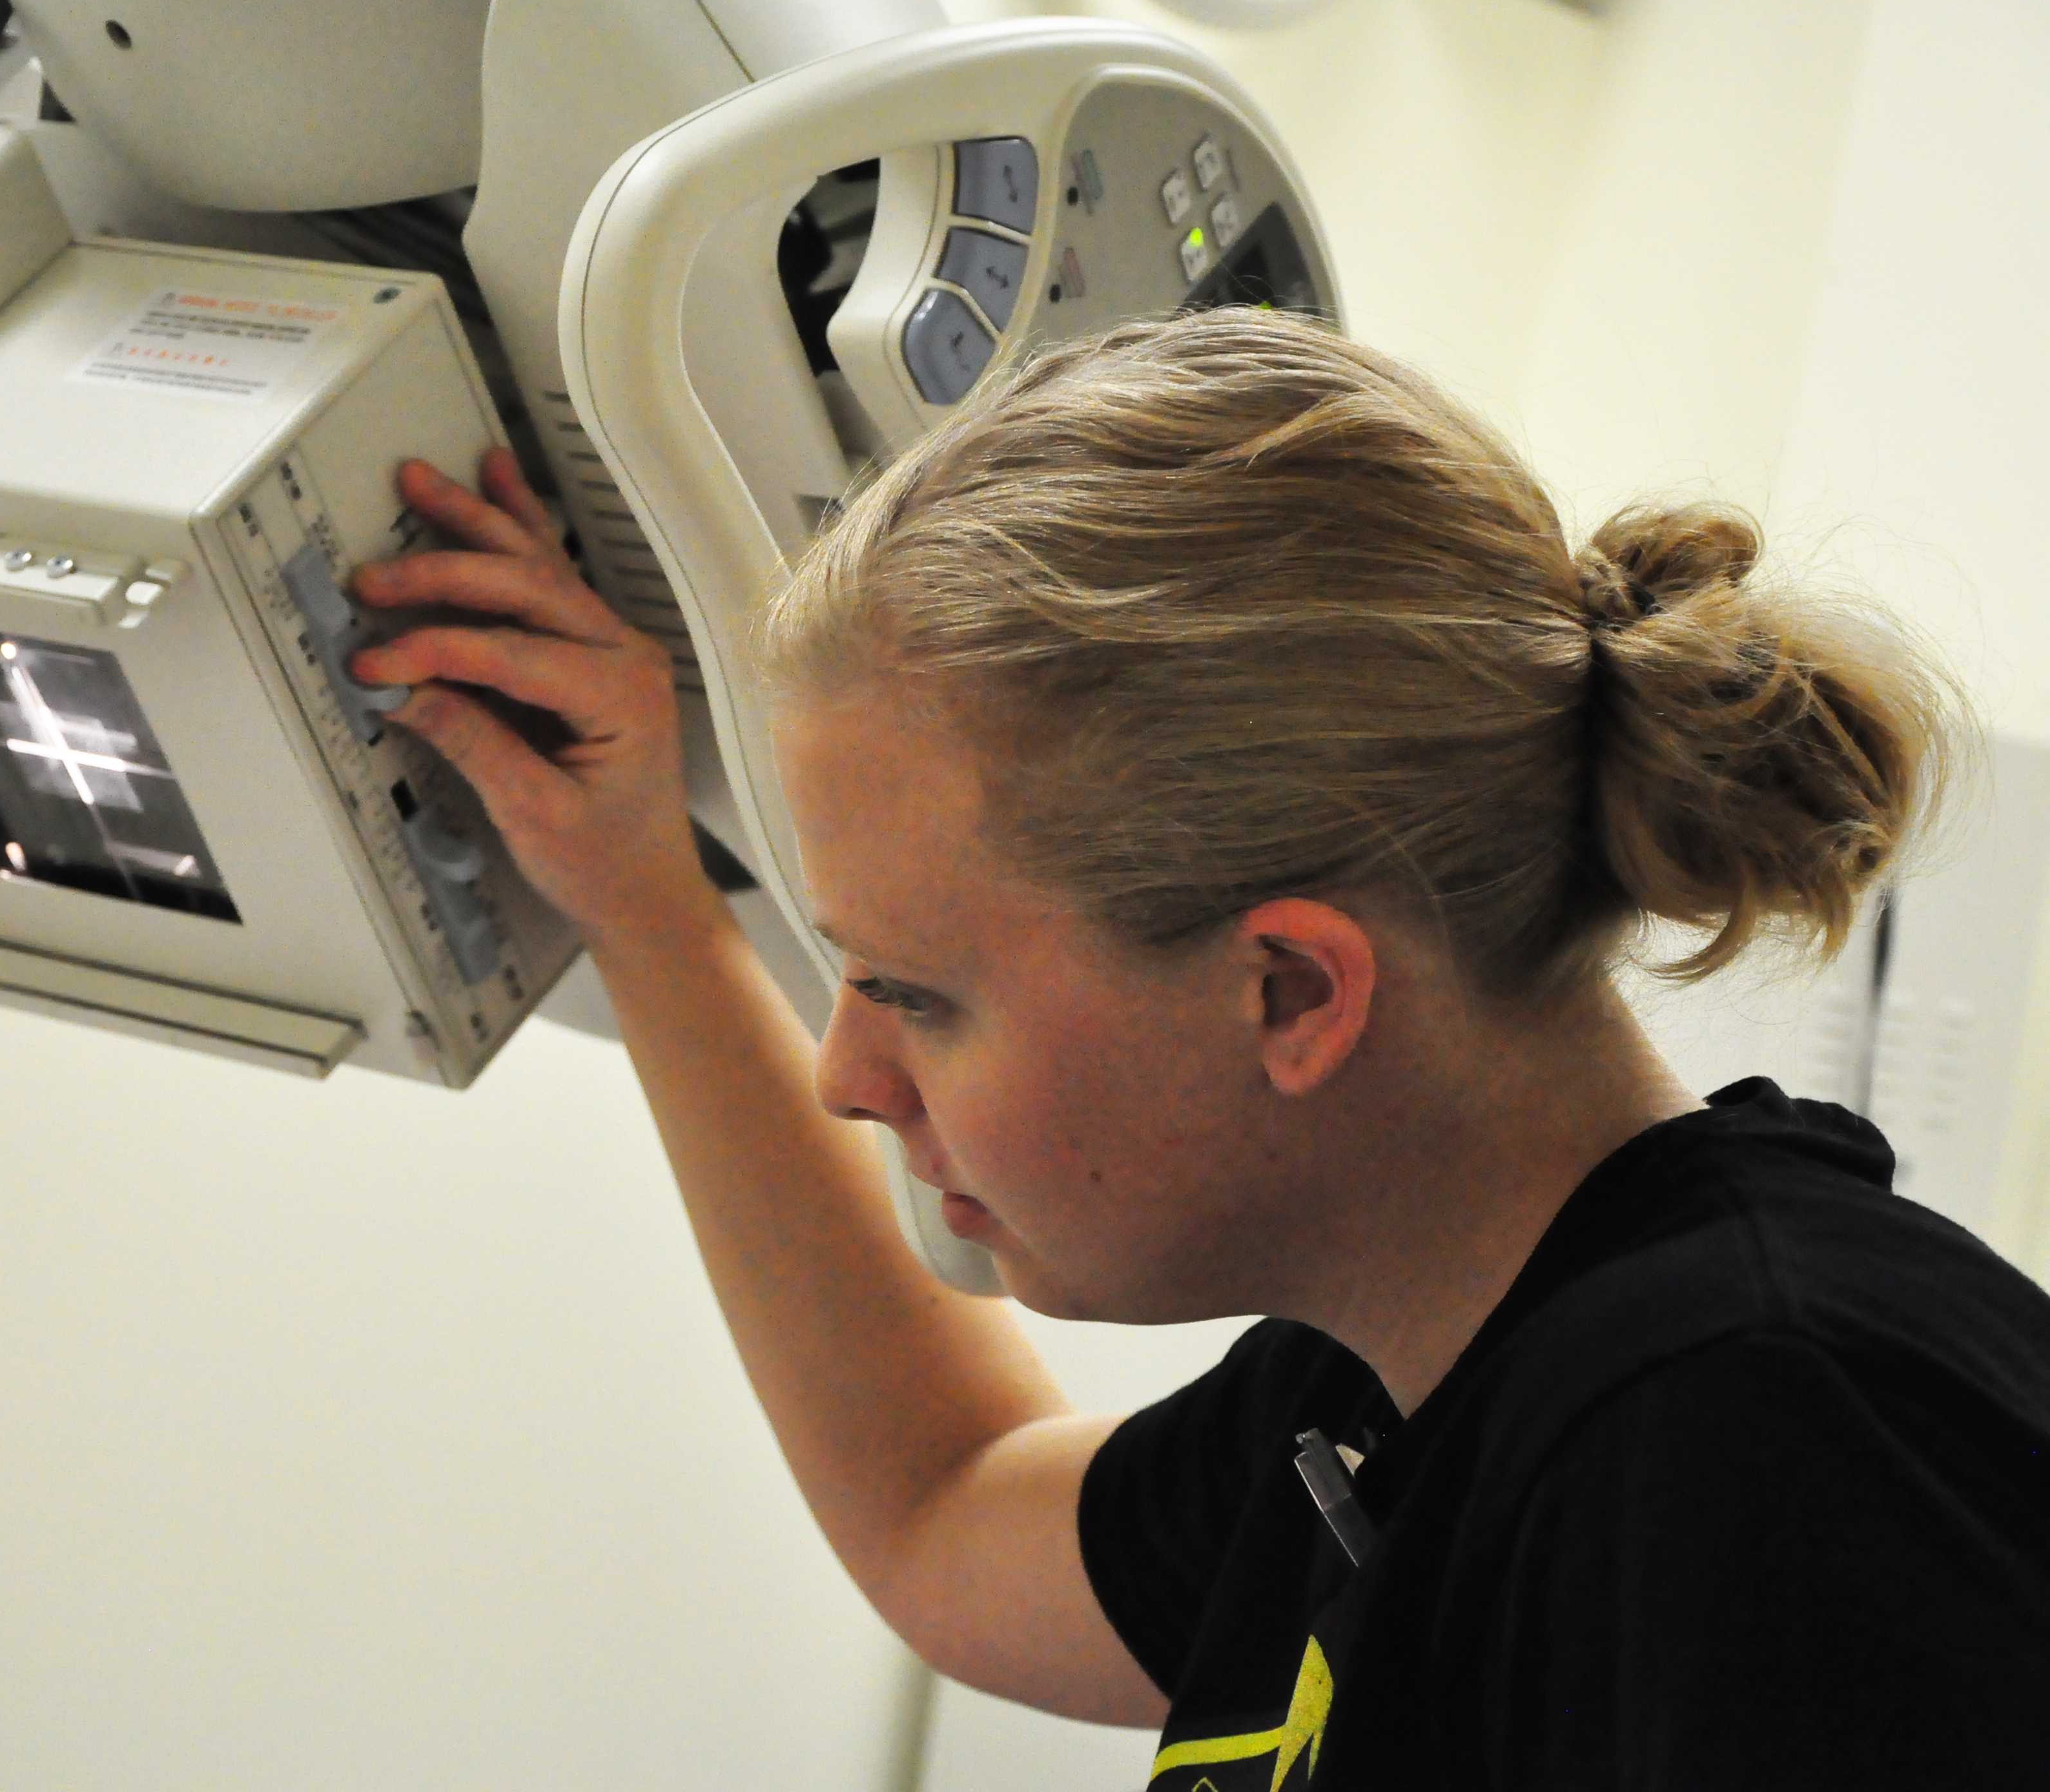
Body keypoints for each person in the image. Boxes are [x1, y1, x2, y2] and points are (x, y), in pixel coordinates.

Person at [343, 308, 2050, 1786]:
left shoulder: (1771, 1448)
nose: (848, 1077)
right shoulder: (1392, 1387)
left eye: (916, 993)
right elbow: (945, 1511)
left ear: (1290, 994)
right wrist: (641, 901)